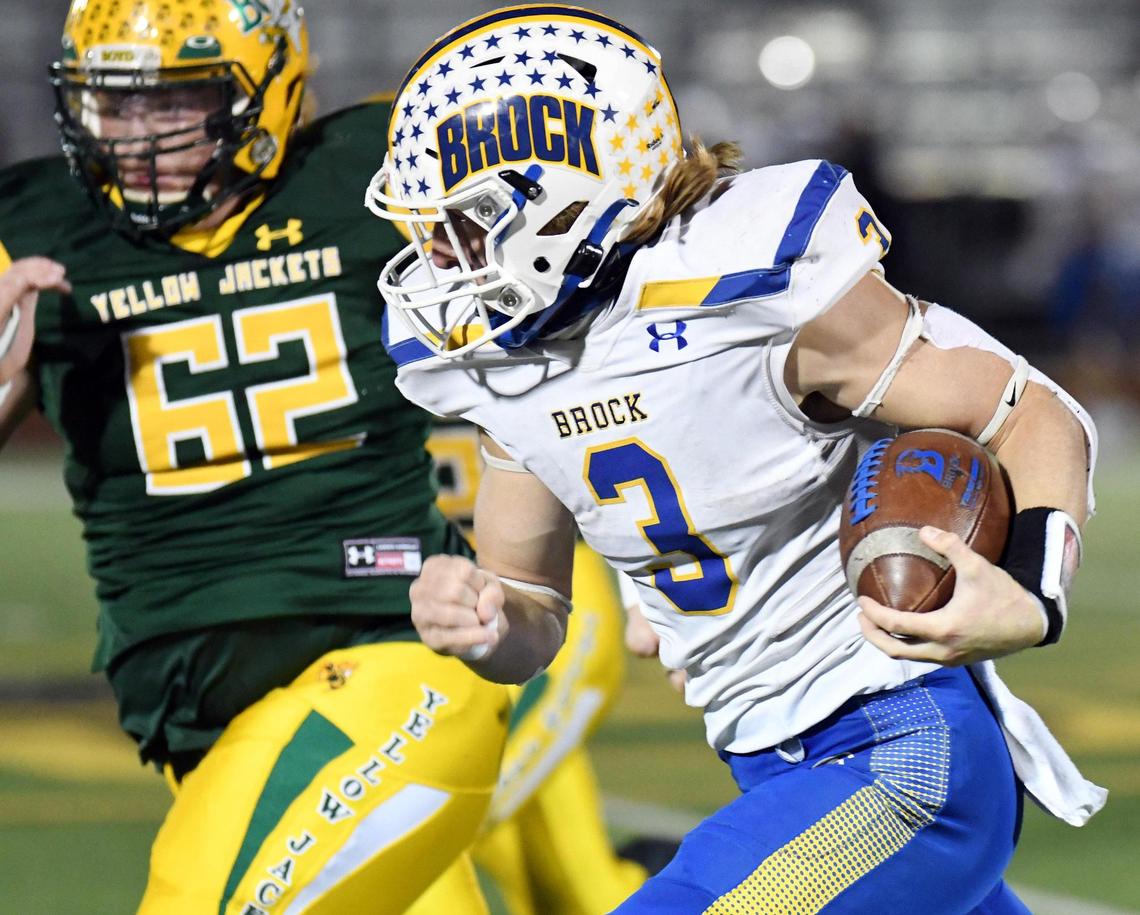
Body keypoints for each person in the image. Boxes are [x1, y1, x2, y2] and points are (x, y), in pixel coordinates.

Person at [369, 5, 1108, 913]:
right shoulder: (495, 355)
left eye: (463, 225)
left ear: (569, 193)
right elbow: (534, 609)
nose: (437, 259)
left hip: (902, 748)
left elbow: (1034, 413)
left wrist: (1031, 592)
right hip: (772, 764)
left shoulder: (745, 282)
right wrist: (486, 622)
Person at [0, 2, 645, 911]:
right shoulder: (29, 223)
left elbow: (592, 302)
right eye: (115, 103)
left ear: (270, 88)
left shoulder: (369, 175)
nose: (137, 134)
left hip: (395, 640)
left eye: (176, 98)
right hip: (198, 707)